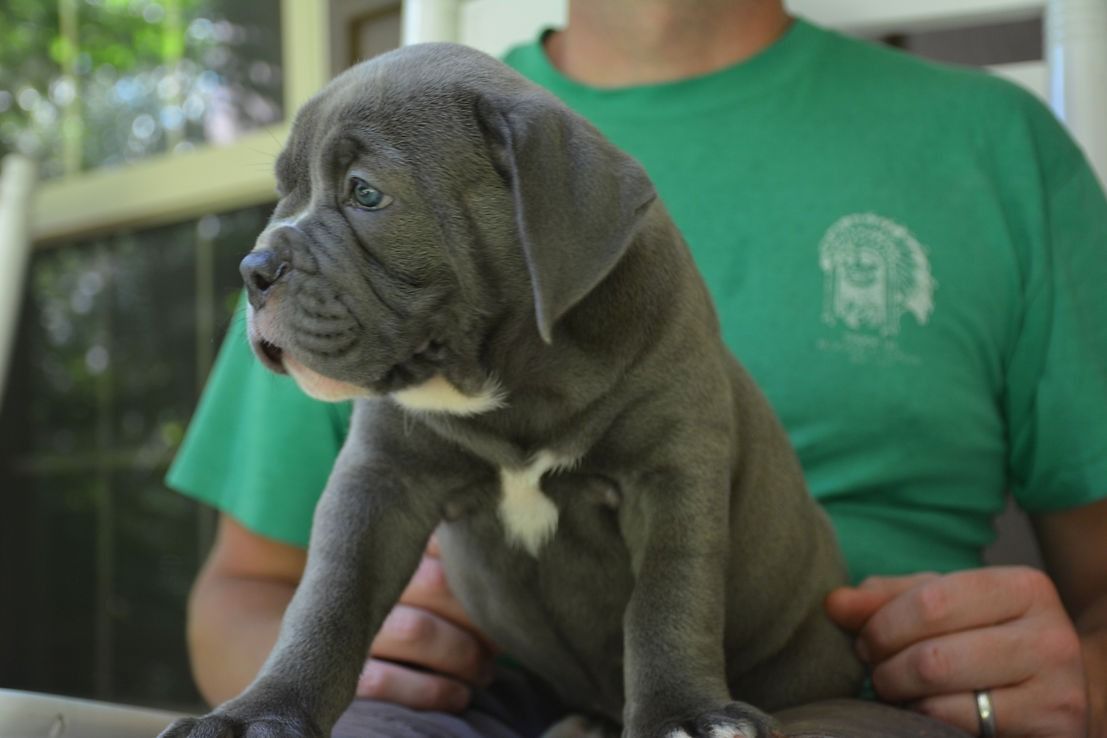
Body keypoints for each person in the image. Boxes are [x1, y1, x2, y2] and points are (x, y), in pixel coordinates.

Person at [166, 1, 1107, 736]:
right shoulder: (368, 180)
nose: (280, 240)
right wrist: (326, 679)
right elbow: (241, 590)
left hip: (841, 689)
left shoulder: (994, 145)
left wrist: (1086, 683)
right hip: (485, 704)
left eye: (364, 196)